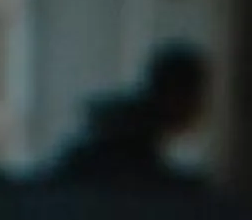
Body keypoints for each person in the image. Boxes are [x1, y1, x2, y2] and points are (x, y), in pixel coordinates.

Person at [52, 43, 211, 187]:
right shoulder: (126, 142)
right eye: (195, 96)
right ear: (175, 96)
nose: (200, 106)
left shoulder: (137, 138)